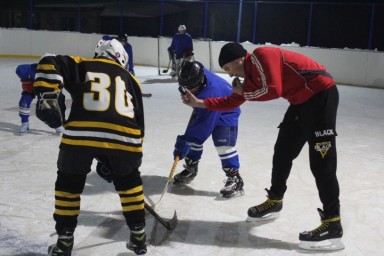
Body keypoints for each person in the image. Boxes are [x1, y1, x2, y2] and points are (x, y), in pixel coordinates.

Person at [180, 42, 344, 251]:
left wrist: (244, 92)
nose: (229, 74)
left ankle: (333, 222)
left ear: (237, 60)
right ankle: (275, 200)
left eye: (228, 68)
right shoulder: (250, 74)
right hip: (300, 102)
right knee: (282, 153)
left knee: (322, 164)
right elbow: (233, 101)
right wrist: (200, 104)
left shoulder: (262, 55)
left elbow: (273, 90)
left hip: (321, 95)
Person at [33, 39, 147, 255]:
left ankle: (65, 243)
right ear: (121, 57)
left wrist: (47, 93)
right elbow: (139, 125)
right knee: (130, 184)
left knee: (68, 185)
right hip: (126, 139)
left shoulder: (83, 64)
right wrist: (125, 164)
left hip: (80, 135)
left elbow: (49, 59)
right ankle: (139, 239)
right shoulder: (132, 80)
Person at [173, 61, 243, 199]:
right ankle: (191, 168)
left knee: (223, 145)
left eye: (191, 88)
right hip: (205, 105)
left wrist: (183, 145)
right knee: (194, 140)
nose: (188, 90)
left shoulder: (212, 91)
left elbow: (202, 128)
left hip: (227, 110)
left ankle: (235, 179)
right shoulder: (196, 73)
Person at [15, 63, 64, 134]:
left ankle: (56, 125)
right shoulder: (26, 70)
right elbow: (22, 73)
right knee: (24, 102)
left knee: (48, 106)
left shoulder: (54, 73)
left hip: (44, 89)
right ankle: (25, 122)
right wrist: (27, 83)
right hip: (32, 87)